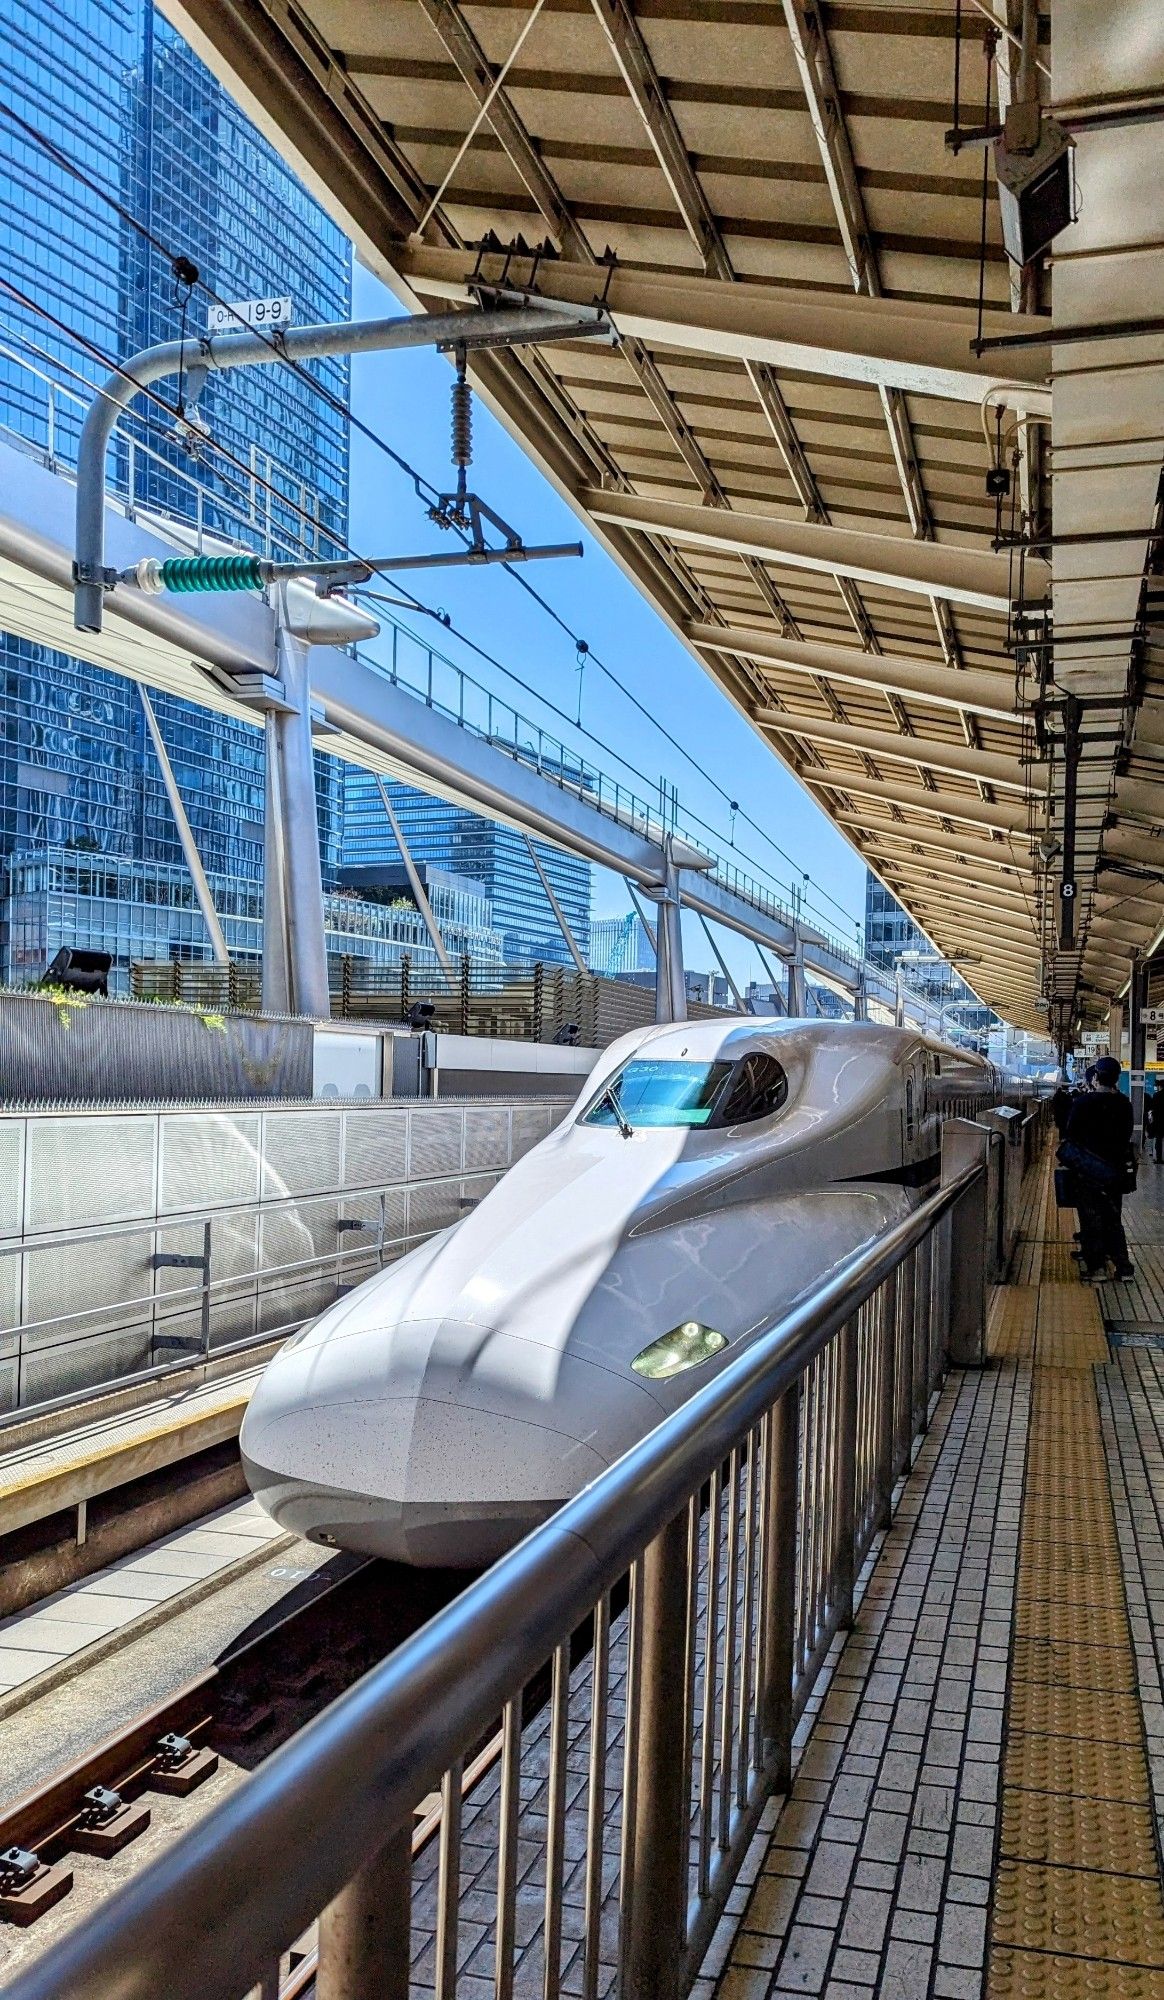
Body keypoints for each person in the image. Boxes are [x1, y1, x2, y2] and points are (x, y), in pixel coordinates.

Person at [1060, 1054, 1135, 1280]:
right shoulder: (1125, 1104)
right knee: (1113, 1218)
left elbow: (1071, 1133)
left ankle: (1098, 1268)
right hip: (1114, 1171)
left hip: (1088, 1171)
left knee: (1091, 1218)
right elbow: (1127, 1134)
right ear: (1116, 1078)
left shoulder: (1083, 1103)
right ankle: (1123, 1268)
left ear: (1095, 1078)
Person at [1146, 1078, 1164, 1165]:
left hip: (1159, 1121)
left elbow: (1153, 1109)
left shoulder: (1157, 1095)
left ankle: (1159, 1159)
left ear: (1160, 1086)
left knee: (1159, 1140)